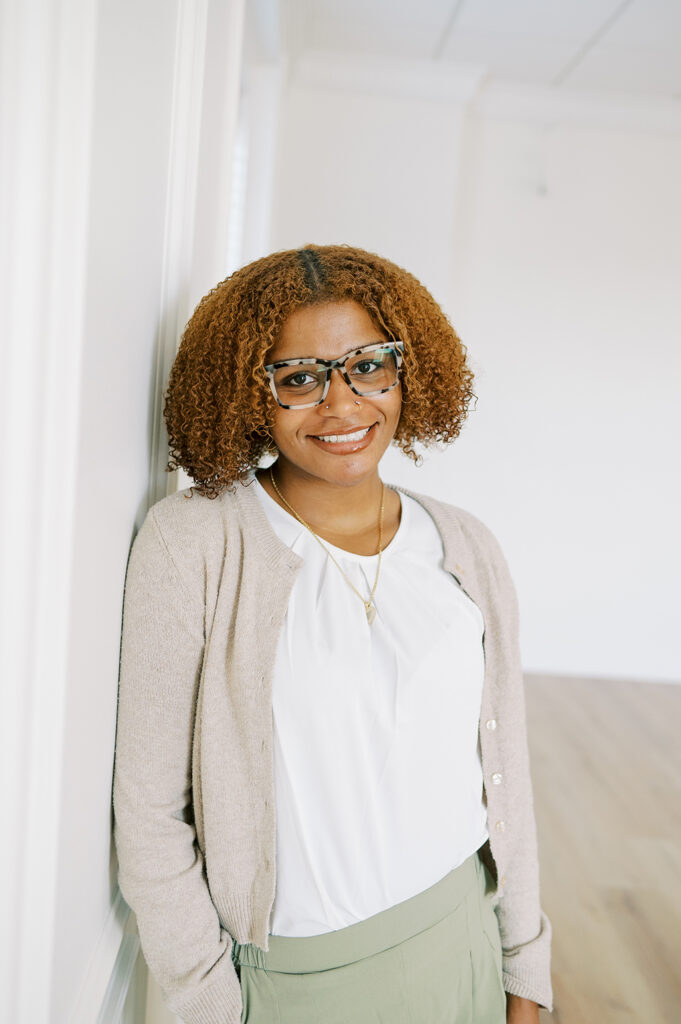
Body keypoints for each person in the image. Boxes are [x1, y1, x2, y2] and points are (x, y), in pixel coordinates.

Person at [112, 243, 553, 1024]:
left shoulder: (466, 544)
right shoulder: (195, 543)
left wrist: (524, 965)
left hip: (463, 941)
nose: (342, 405)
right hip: (296, 984)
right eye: (299, 378)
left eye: (367, 366)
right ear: (250, 393)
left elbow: (505, 772)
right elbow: (148, 814)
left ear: (406, 372)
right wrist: (209, 1002)